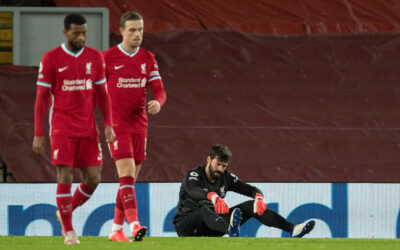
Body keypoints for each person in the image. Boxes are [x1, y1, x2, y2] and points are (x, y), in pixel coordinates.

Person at [32, 13, 115, 245]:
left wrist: (108, 124)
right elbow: (41, 99)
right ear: (65, 32)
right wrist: (39, 133)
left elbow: (103, 94)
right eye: (77, 33)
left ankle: (65, 211)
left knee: (94, 178)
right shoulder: (51, 59)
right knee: (65, 175)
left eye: (84, 33)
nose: (81, 37)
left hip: (89, 129)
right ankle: (68, 230)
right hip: (62, 127)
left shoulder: (95, 58)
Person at [102, 11, 167, 242]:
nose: (137, 34)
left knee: (128, 181)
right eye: (132, 30)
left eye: (140, 29)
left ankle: (115, 230)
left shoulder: (148, 58)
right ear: (121, 31)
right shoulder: (107, 58)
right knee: (127, 175)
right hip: (117, 126)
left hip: (140, 125)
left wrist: (158, 103)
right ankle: (135, 224)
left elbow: (159, 90)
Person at [173, 144, 315, 237]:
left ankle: (293, 229)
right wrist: (213, 197)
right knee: (203, 208)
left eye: (224, 166)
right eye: (218, 164)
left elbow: (250, 189)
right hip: (187, 226)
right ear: (209, 160)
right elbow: (193, 190)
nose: (220, 169)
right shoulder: (195, 174)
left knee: (251, 205)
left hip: (212, 226)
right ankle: (230, 228)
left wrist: (259, 198)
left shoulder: (225, 177)